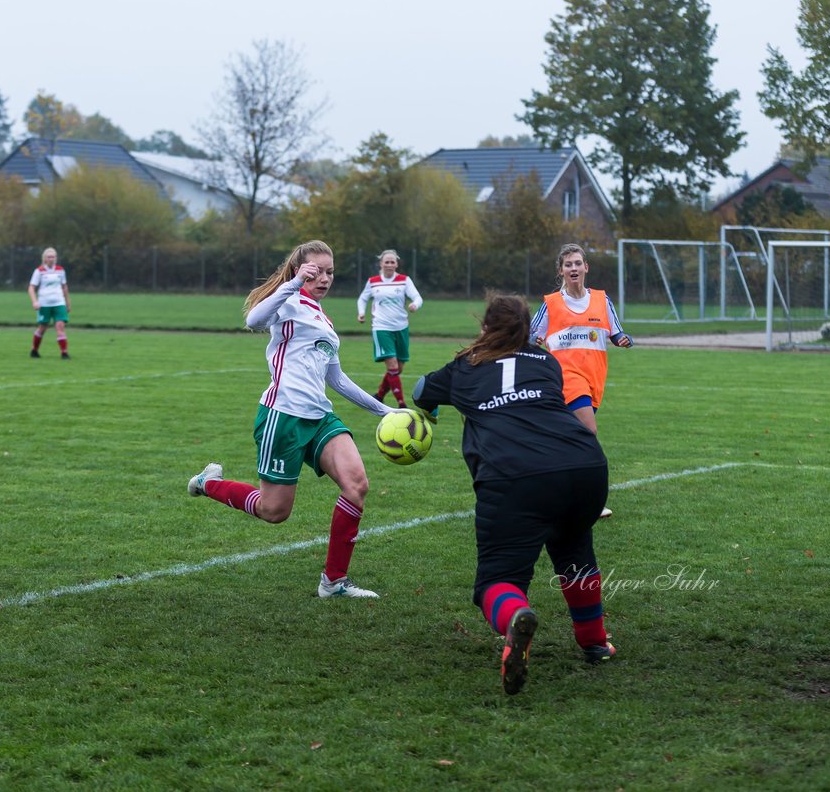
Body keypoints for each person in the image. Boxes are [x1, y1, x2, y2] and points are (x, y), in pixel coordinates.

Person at [412, 293, 616, 695]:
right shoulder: (547, 362)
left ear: (485, 326)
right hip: (585, 466)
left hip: (515, 477)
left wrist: (431, 409)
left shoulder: (464, 366)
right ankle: (594, 642)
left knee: (498, 580)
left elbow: (421, 391)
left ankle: (515, 616)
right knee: (574, 546)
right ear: (528, 330)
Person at [187, 240, 393, 599]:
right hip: (282, 417)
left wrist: (386, 411)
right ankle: (208, 483)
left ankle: (333, 582)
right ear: (300, 269)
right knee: (274, 511)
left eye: (329, 271)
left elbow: (338, 380)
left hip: (320, 418)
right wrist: (295, 282)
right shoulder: (290, 302)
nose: (324, 277)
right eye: (317, 270)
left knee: (356, 485)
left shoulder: (323, 318)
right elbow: (253, 320)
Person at [529, 243, 631, 518]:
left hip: (594, 379)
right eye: (568, 264)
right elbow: (530, 334)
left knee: (568, 440)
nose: (573, 268)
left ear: (586, 267)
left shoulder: (601, 299)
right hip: (566, 378)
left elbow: (617, 331)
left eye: (577, 263)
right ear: (561, 270)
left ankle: (545, 489)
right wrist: (534, 339)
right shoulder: (551, 303)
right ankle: (590, 501)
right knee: (588, 433)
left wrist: (622, 339)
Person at [356, 248, 423, 408]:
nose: (389, 264)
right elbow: (362, 299)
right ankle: (402, 405)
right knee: (392, 365)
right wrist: (361, 313)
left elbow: (417, 297)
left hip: (401, 327)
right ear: (381, 263)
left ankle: (379, 396)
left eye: (392, 262)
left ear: (396, 264)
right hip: (381, 327)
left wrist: (414, 305)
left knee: (398, 368)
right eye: (386, 262)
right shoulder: (373, 281)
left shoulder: (404, 280)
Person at [28, 247, 71, 359]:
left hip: (59, 303)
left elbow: (64, 287)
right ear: (44, 258)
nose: (51, 259)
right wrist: (34, 301)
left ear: (56, 258)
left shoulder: (60, 270)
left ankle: (64, 353)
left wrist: (67, 303)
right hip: (45, 304)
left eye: (53, 257)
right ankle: (34, 350)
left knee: (60, 327)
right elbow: (31, 288)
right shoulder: (39, 271)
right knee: (43, 327)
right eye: (49, 257)